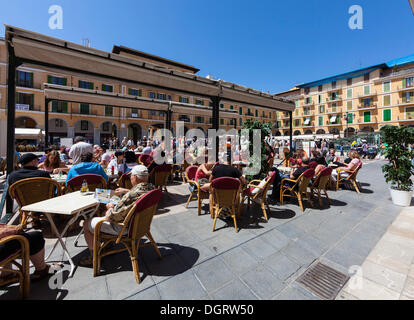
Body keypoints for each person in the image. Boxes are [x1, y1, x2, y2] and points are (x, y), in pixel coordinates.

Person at [79, 165, 154, 266]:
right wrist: (126, 191)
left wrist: (109, 206)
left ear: (135, 177)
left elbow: (111, 217)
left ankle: (93, 257)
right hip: (140, 225)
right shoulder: (151, 188)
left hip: (124, 228)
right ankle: (108, 244)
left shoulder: (130, 196)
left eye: (131, 176)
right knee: (103, 211)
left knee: (86, 223)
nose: (130, 178)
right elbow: (137, 194)